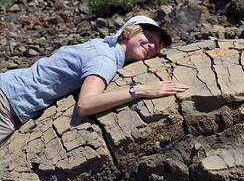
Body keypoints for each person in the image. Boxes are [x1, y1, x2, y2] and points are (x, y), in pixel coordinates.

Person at [0, 15, 189, 144]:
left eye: (156, 46)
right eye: (147, 37)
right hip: (6, 103)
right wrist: (141, 90)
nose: (151, 45)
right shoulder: (104, 59)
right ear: (126, 33)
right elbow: (85, 105)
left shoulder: (104, 47)